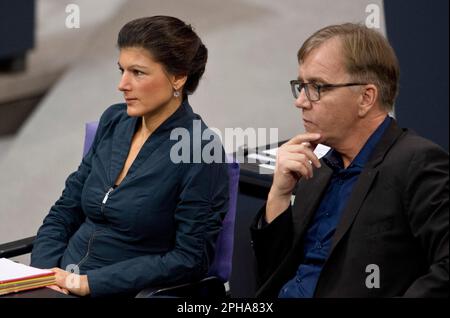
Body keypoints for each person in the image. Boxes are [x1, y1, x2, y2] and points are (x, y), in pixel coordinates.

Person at [30, 16, 229, 297]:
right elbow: (66, 208)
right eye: (122, 70)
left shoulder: (200, 151)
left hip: (120, 291)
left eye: (138, 72)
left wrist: (89, 283)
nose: (122, 84)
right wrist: (43, 274)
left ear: (178, 77)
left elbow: (190, 259)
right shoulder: (114, 120)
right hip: (57, 282)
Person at [250, 23, 448, 298]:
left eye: (317, 87)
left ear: (366, 98)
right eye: (301, 86)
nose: (301, 101)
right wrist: (279, 195)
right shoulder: (315, 168)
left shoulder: (417, 162)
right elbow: (273, 275)